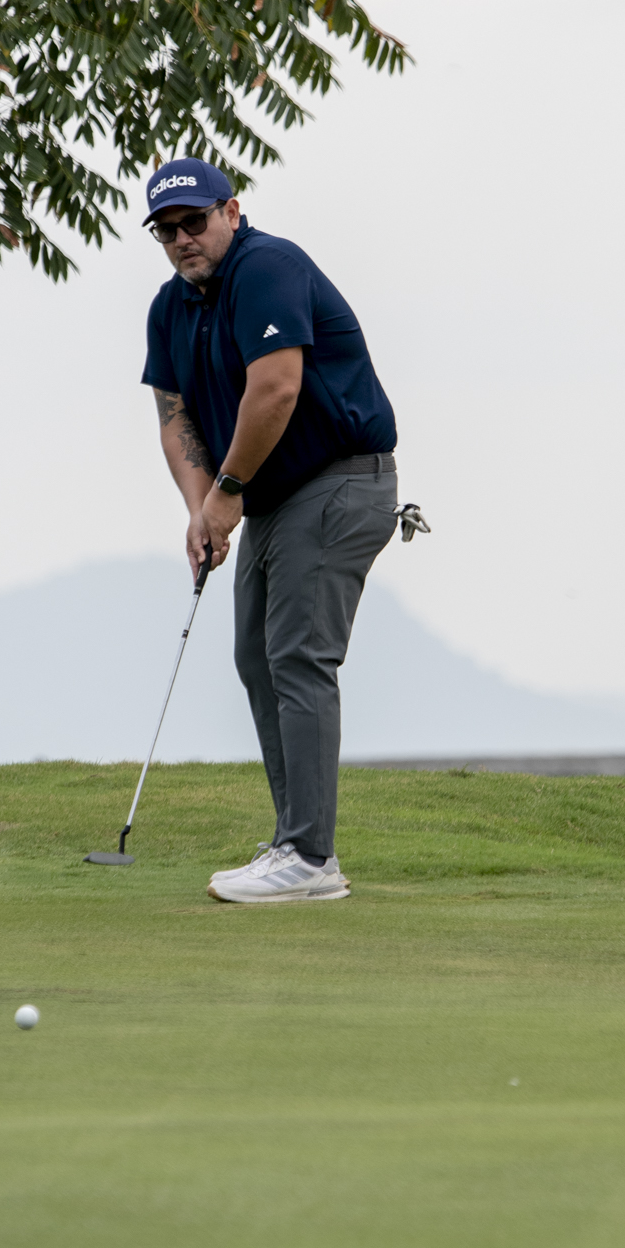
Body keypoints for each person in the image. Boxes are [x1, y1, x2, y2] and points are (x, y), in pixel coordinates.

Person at [140, 158, 401, 905]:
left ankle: (310, 857)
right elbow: (175, 417)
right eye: (166, 230)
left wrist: (226, 495)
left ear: (230, 211)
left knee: (297, 657)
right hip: (268, 496)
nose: (182, 239)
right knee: (256, 658)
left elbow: (276, 388)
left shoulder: (267, 267)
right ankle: (295, 842)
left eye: (194, 221)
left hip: (339, 480)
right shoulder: (169, 307)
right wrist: (201, 509)